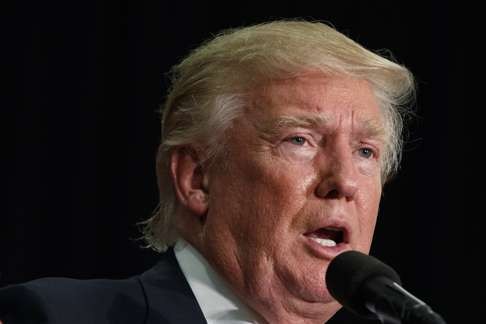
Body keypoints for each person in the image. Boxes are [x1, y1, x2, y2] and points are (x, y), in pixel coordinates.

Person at [0, 20, 414, 323]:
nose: (343, 181)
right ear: (197, 179)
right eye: (299, 140)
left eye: (365, 151)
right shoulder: (52, 318)